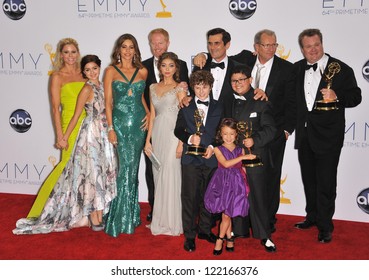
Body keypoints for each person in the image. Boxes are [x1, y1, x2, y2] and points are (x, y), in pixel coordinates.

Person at [194, 29, 294, 233]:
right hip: (223, 136)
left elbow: (293, 101)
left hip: (260, 140)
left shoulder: (285, 70)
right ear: (256, 47)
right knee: (222, 183)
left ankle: (265, 225)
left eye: (273, 45)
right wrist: (201, 55)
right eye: (265, 45)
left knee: (264, 184)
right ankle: (228, 227)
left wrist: (285, 130)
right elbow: (213, 57)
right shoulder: (242, 58)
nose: (269, 49)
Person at [13, 54, 117, 234]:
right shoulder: (86, 89)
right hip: (90, 135)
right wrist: (64, 137)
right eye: (87, 70)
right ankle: (93, 216)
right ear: (83, 72)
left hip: (103, 134)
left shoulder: (102, 86)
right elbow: (76, 115)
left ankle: (98, 214)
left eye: (94, 68)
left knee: (100, 173)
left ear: (99, 68)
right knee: (92, 176)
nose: (92, 72)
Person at [287, 29, 361, 243]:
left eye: (316, 44)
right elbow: (292, 101)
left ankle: (325, 225)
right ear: (302, 49)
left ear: (322, 44)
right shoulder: (297, 69)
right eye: (308, 46)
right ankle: (312, 216)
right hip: (305, 135)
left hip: (329, 136)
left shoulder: (340, 69)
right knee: (309, 180)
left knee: (326, 183)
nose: (313, 49)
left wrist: (337, 96)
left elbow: (356, 96)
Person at [26, 38, 87, 219]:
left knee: (83, 169)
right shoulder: (57, 76)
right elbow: (55, 108)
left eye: (73, 52)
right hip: (69, 123)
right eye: (66, 52)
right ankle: (41, 207)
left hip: (87, 124)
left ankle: (77, 209)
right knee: (65, 166)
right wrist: (60, 135)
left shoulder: (85, 73)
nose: (70, 56)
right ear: (61, 55)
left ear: (78, 53)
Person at [104, 34, 149, 237]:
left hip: (139, 125)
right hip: (120, 126)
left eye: (131, 47)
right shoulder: (110, 71)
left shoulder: (143, 71)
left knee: (133, 169)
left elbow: (141, 98)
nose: (128, 51)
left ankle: (131, 215)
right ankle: (119, 216)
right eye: (124, 47)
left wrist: (149, 115)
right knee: (124, 169)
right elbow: (108, 103)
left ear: (136, 50)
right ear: (118, 49)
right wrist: (111, 128)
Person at [142, 28, 190, 222]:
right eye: (164, 65)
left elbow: (186, 114)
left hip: (173, 134)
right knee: (157, 173)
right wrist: (148, 141)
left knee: (172, 173)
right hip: (157, 134)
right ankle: (160, 217)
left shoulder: (180, 87)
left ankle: (174, 219)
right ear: (160, 68)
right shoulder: (152, 85)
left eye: (171, 65)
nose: (167, 68)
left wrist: (181, 142)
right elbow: (152, 115)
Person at [174, 70, 223, 252]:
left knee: (208, 197)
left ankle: (204, 229)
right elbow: (178, 129)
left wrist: (212, 148)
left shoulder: (219, 106)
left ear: (211, 87)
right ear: (193, 88)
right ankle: (189, 235)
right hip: (190, 160)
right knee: (189, 198)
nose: (201, 91)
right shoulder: (185, 106)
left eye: (205, 87)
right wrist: (188, 139)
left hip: (210, 159)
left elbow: (221, 132)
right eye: (197, 87)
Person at [229, 65, 277, 252]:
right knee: (237, 194)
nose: (238, 83)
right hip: (234, 158)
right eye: (234, 80)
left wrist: (254, 140)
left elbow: (271, 129)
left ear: (250, 80)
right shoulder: (229, 102)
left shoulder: (261, 102)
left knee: (257, 197)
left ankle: (264, 235)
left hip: (255, 156)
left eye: (242, 79)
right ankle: (239, 229)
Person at [204, 118, 255, 255]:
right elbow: (226, 164)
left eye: (231, 134)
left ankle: (228, 238)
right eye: (225, 134)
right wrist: (242, 158)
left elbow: (243, 169)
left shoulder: (240, 149)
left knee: (229, 212)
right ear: (220, 134)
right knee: (226, 214)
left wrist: (247, 187)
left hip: (237, 183)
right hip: (222, 182)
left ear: (237, 134)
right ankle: (222, 239)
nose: (228, 137)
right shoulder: (217, 148)